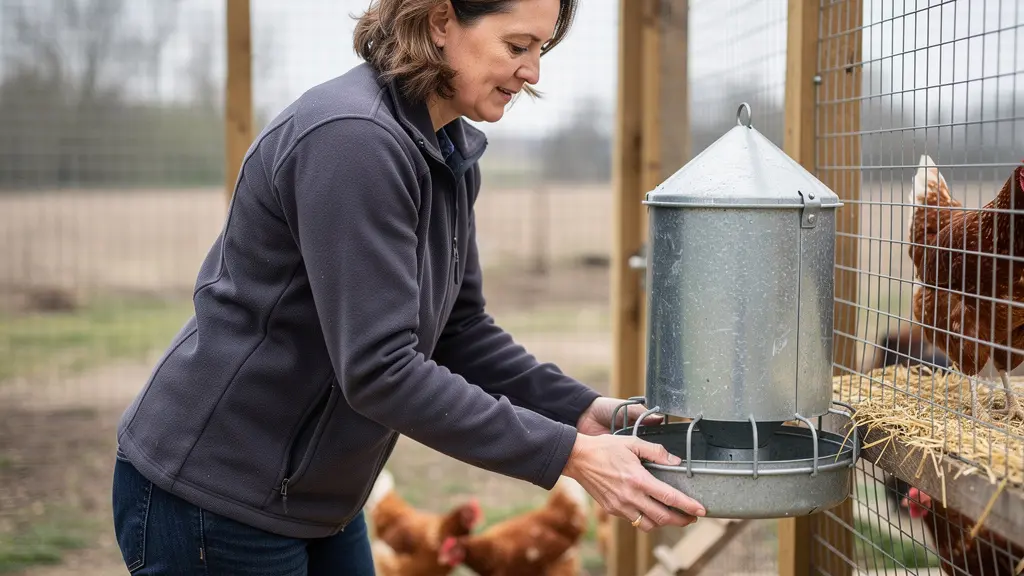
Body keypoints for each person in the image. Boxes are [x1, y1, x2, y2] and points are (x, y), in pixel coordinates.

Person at [110, 0, 705, 573]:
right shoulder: (353, 141)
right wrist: (569, 456)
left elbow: (459, 332)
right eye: (517, 45)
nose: (533, 70)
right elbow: (380, 368)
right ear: (441, 20)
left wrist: (582, 412)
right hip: (216, 497)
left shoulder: (446, 150)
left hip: (316, 498)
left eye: (541, 48)